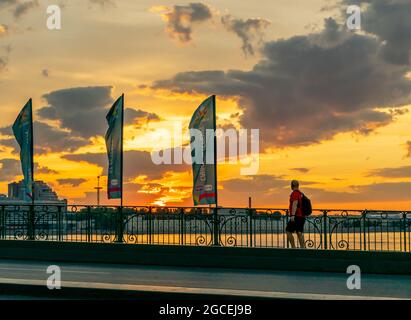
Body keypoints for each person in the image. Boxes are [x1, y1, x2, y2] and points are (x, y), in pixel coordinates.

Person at [286, 180, 306, 248]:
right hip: (302, 216)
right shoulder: (301, 194)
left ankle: (293, 248)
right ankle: (303, 248)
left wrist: (292, 215)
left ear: (292, 186)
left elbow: (295, 204)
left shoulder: (294, 193)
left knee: (288, 231)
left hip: (296, 216)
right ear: (298, 185)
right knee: (299, 232)